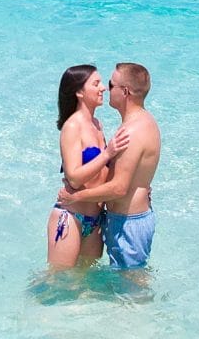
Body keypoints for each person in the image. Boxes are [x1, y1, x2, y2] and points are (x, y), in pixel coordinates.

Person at [58, 62, 158, 271]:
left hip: (128, 224)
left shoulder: (132, 131)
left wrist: (75, 197)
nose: (105, 88)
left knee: (132, 291)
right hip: (116, 221)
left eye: (110, 84)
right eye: (100, 83)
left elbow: (119, 188)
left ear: (125, 91)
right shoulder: (139, 123)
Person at [48, 65, 117, 271]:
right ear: (79, 92)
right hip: (70, 217)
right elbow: (74, 177)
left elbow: (103, 171)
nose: (103, 88)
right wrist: (107, 153)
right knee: (57, 282)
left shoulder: (97, 124)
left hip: (95, 220)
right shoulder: (72, 127)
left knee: (85, 285)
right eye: (96, 84)